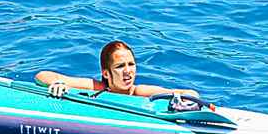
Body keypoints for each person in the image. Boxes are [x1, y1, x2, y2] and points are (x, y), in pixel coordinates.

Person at [34, 40, 197, 99]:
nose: (128, 71)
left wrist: (184, 96)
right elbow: (42, 75)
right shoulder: (97, 88)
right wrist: (58, 83)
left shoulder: (138, 92)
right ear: (106, 73)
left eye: (131, 64)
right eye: (120, 66)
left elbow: (189, 93)